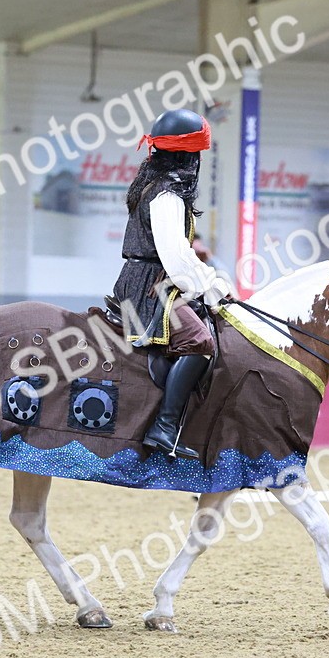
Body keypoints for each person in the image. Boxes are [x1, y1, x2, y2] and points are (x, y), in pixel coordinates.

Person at [110, 108, 230, 460]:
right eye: (195, 155)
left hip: (151, 280)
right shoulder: (167, 195)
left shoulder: (153, 185)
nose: (197, 162)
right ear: (186, 155)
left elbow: (183, 258)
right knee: (200, 340)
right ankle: (164, 426)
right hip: (150, 287)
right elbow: (177, 260)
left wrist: (214, 283)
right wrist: (211, 290)